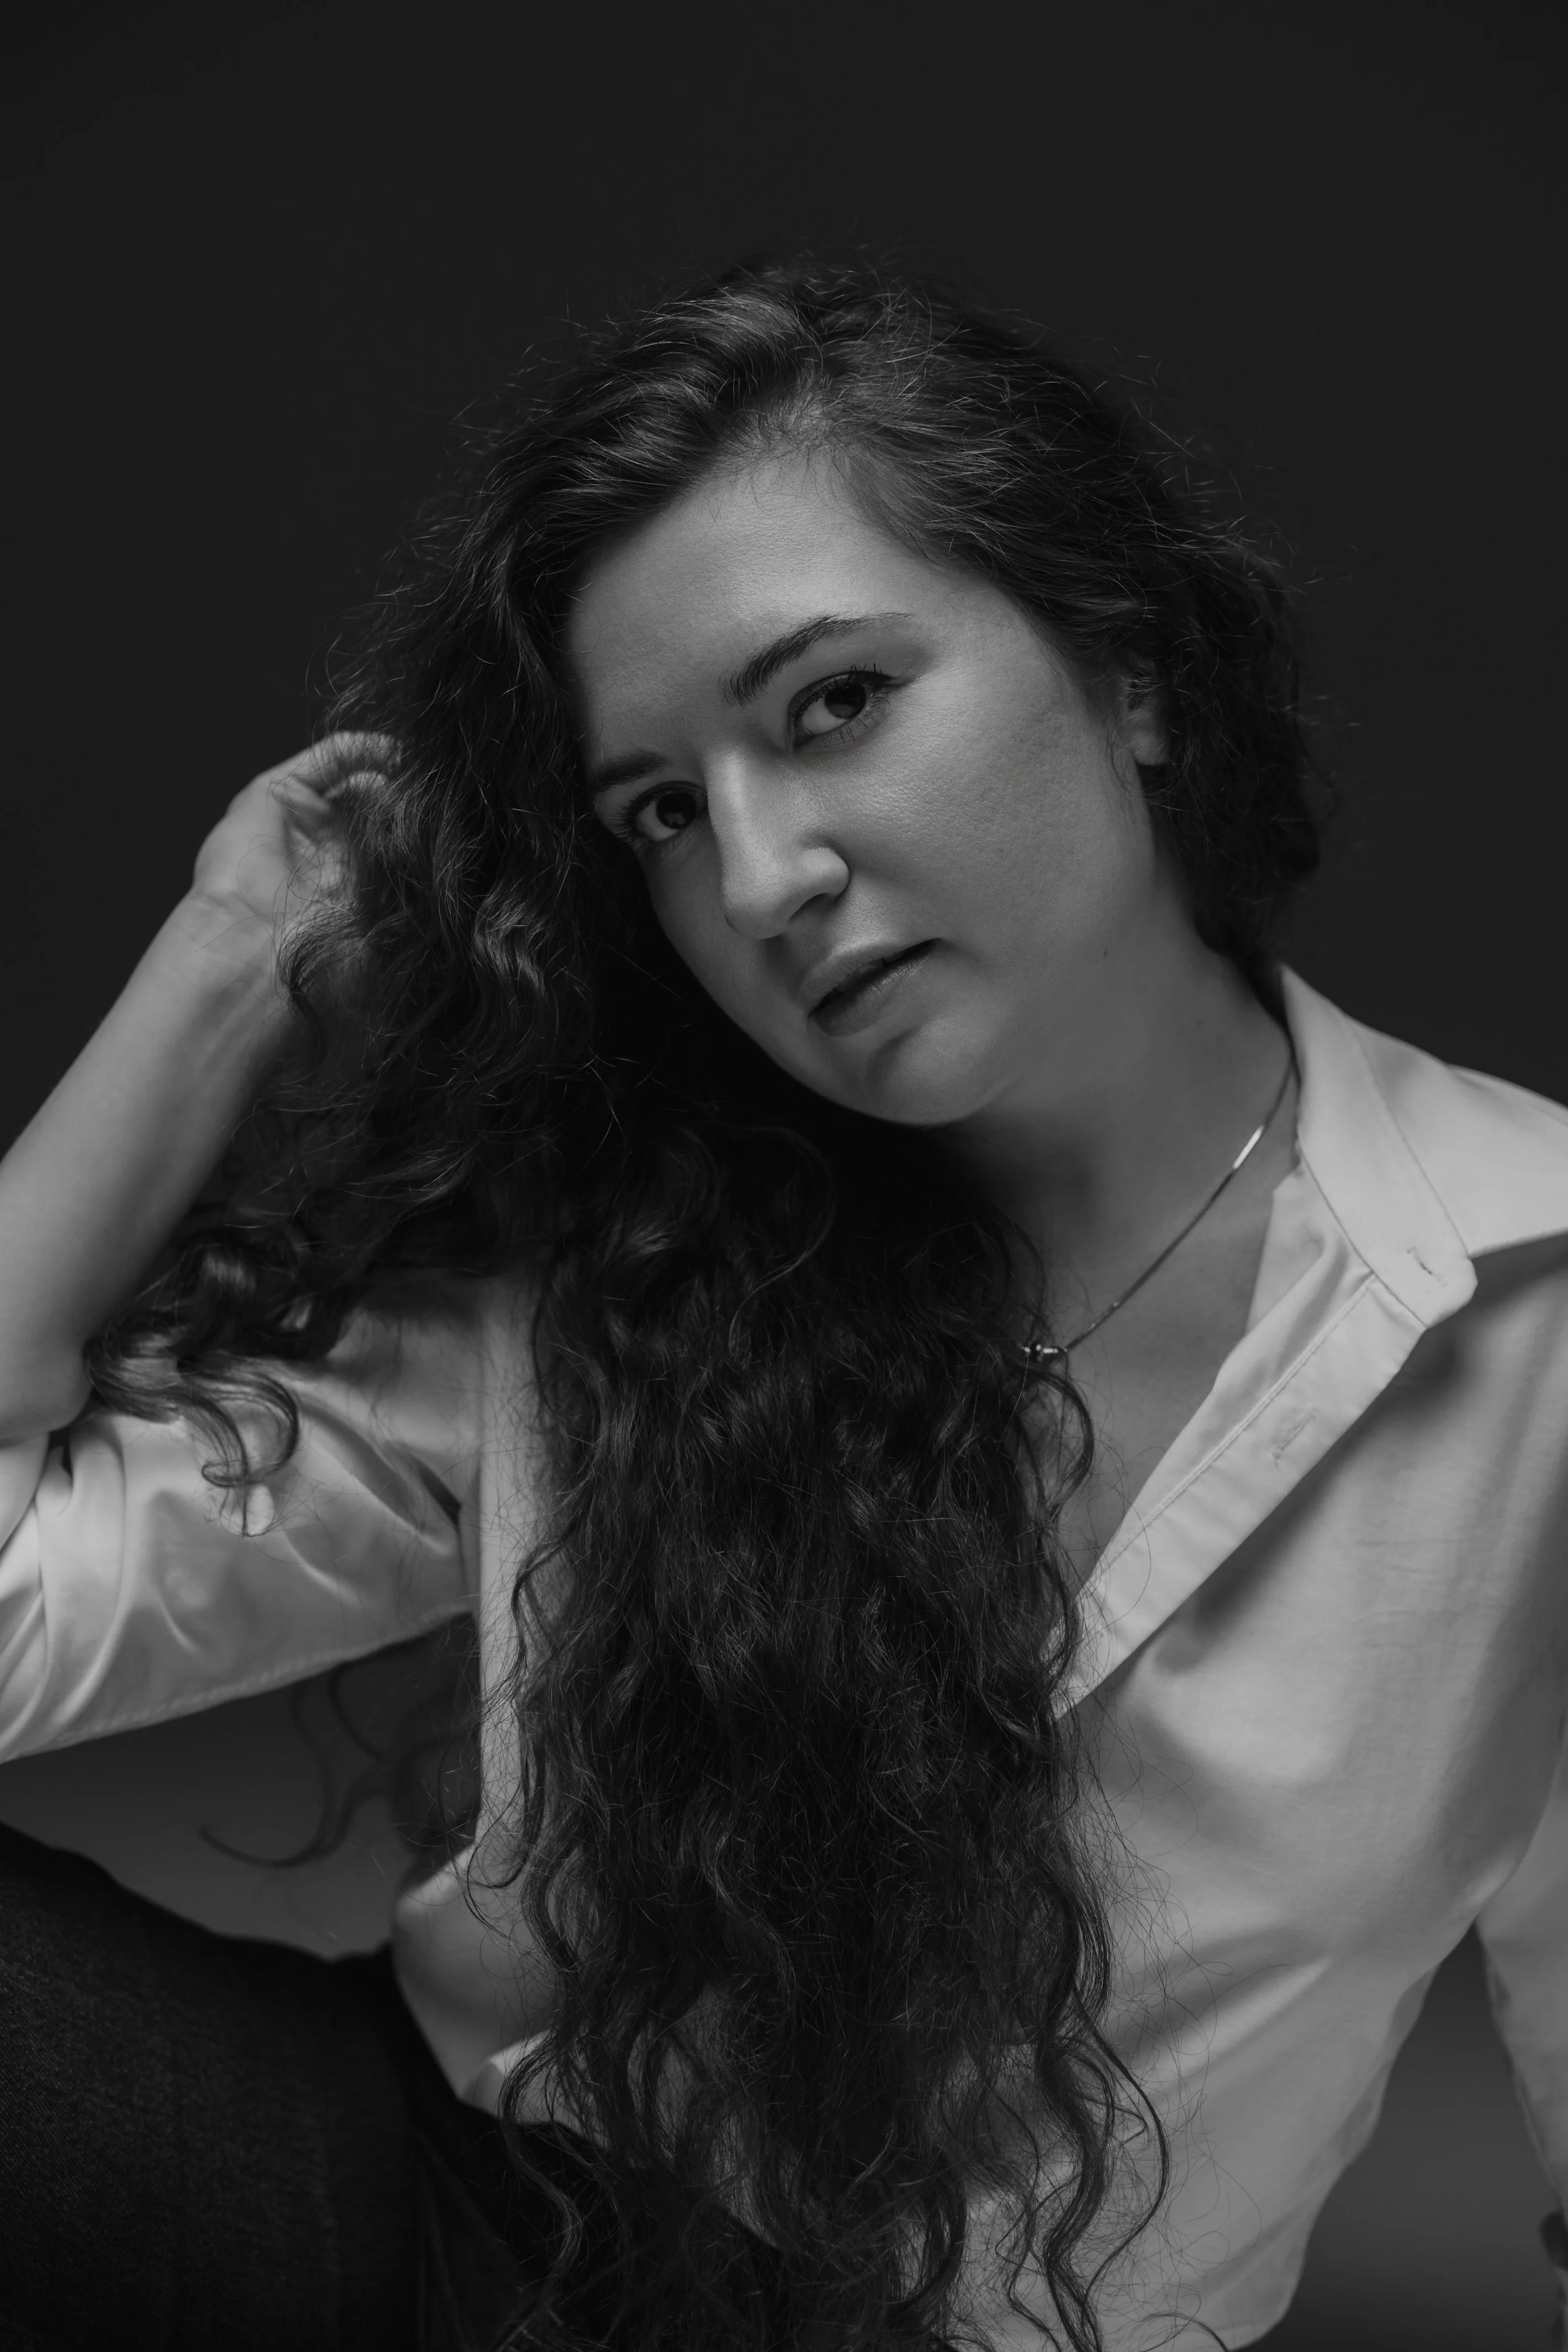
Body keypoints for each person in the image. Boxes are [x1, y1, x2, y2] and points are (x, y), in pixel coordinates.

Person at [1, 253, 1565, 2352]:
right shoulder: (643, 1257)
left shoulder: (1527, 1305)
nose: (757, 876)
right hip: (427, 2213)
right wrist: (221, 972)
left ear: (1127, 671)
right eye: (658, 809)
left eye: (833, 703)